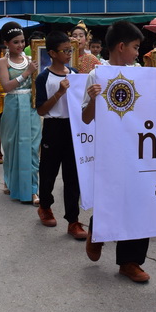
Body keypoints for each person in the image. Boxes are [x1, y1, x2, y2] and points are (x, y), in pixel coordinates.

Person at [82, 20, 152, 283]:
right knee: (113, 197)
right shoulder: (96, 75)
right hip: (110, 150)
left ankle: (130, 262)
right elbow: (86, 118)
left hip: (141, 147)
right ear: (121, 47)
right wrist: (94, 98)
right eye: (135, 47)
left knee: (140, 202)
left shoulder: (141, 72)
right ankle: (97, 230)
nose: (137, 53)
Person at [34, 31, 87, 240]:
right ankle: (45, 206)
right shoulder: (44, 77)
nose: (68, 54)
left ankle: (73, 220)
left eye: (70, 50)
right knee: (48, 171)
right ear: (52, 53)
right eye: (64, 50)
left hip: (72, 127)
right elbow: (41, 110)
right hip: (53, 127)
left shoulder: (74, 73)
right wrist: (59, 92)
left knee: (72, 175)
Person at [0, 22, 41, 204]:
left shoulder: (31, 59)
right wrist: (26, 73)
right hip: (13, 104)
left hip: (30, 105)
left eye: (22, 41)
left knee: (32, 147)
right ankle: (10, 181)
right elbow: (6, 86)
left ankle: (32, 189)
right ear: (6, 43)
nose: (20, 45)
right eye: (16, 42)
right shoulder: (2, 62)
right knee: (11, 146)